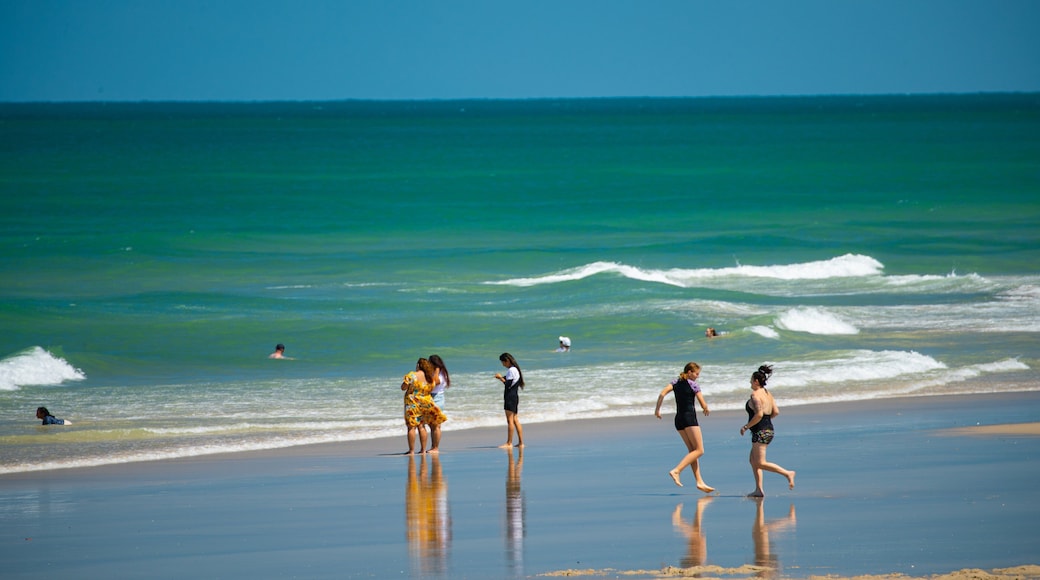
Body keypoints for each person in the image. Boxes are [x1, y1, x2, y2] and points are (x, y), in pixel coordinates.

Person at [655, 362, 715, 493]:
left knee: (692, 451)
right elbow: (702, 403)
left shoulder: (675, 382)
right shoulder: (693, 385)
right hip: (689, 419)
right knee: (700, 450)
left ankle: (699, 481)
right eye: (696, 373)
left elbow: (662, 394)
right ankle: (677, 470)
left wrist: (657, 410)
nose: (697, 376)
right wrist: (706, 408)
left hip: (678, 420)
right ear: (689, 372)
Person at [740, 365, 796, 497]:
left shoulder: (754, 395)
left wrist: (746, 426)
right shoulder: (767, 393)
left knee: (760, 462)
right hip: (768, 429)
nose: (750, 382)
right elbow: (776, 412)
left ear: (756, 381)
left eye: (751, 380)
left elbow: (759, 414)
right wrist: (765, 421)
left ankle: (787, 473)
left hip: (761, 431)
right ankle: (758, 490)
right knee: (753, 460)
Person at [401, 358, 448, 454]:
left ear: (418, 365)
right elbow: (432, 387)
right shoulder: (429, 378)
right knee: (422, 426)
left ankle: (412, 450)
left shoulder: (412, 375)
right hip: (424, 403)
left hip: (412, 403)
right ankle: (423, 449)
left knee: (411, 427)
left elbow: (403, 387)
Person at [494, 352, 525, 448]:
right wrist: (502, 378)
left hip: (510, 397)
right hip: (514, 396)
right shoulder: (515, 370)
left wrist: (500, 378)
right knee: (515, 420)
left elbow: (508, 384)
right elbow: (509, 380)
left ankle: (509, 443)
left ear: (507, 361)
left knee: (510, 421)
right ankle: (520, 443)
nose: (503, 365)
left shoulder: (511, 370)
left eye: (503, 362)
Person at [426, 354, 451, 453]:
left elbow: (436, 382)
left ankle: (435, 447)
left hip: (437, 398)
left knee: (436, 425)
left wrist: (436, 371)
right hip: (433, 397)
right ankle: (433, 446)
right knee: (432, 425)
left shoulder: (440, 374)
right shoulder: (440, 372)